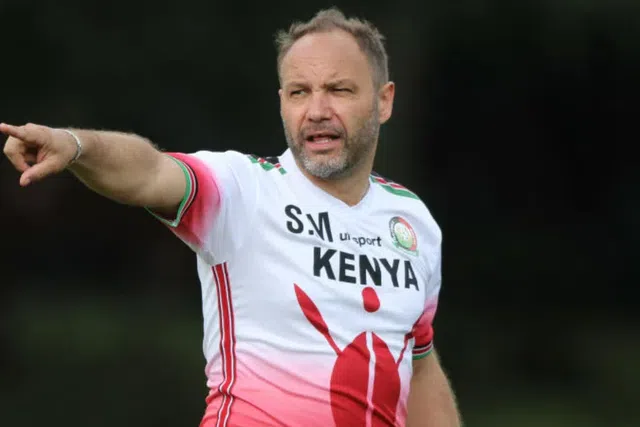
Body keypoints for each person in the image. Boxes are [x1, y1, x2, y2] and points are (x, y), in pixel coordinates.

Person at [1, 8, 461, 427]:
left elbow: (418, 364)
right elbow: (150, 171)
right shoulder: (244, 188)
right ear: (282, 102)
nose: (317, 111)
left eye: (339, 90)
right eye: (300, 92)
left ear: (384, 100)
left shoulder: (412, 222)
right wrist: (76, 146)